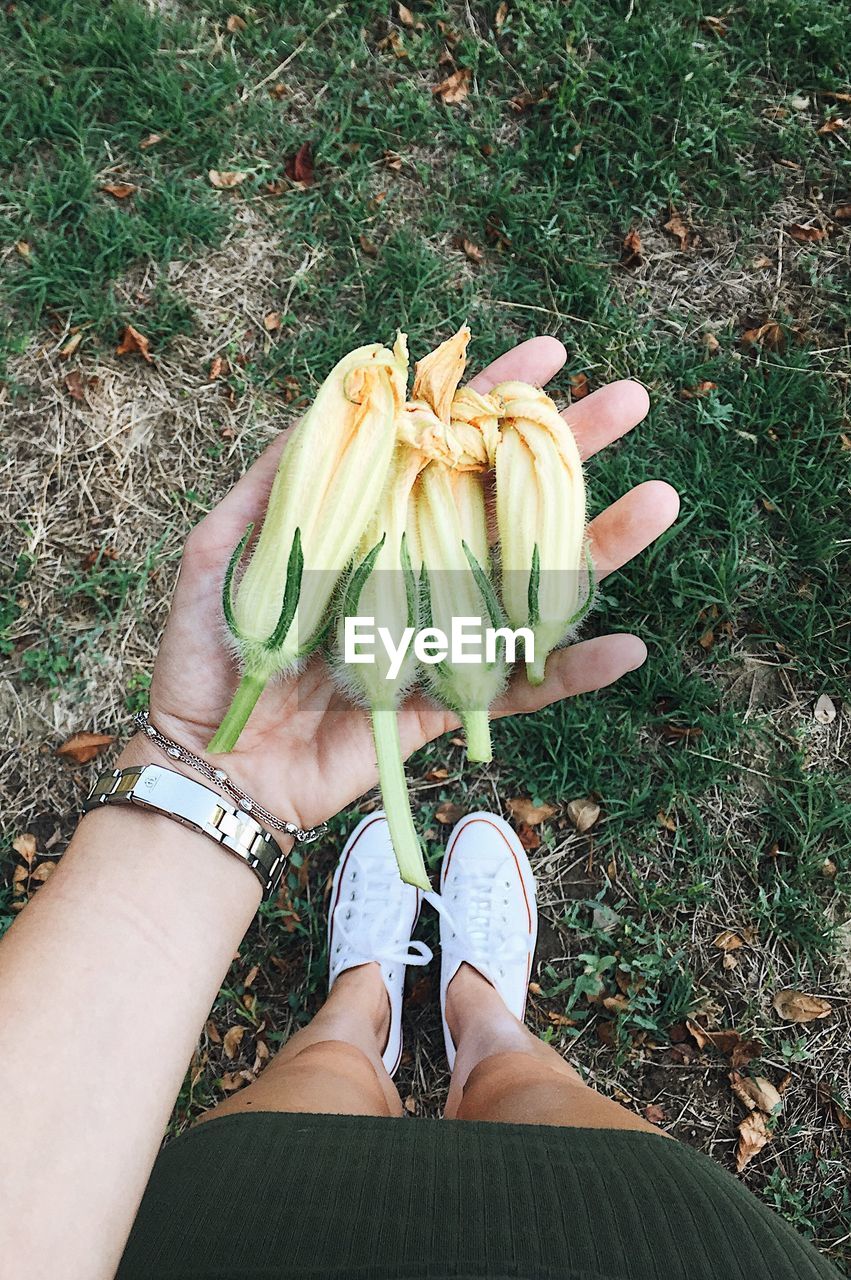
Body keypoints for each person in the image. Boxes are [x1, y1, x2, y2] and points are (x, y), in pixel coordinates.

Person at [0, 338, 839, 1280]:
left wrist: (199, 765)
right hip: (639, 1241)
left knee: (317, 1086)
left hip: (245, 1231)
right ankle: (477, 1016)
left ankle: (362, 1003)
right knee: (527, 1092)